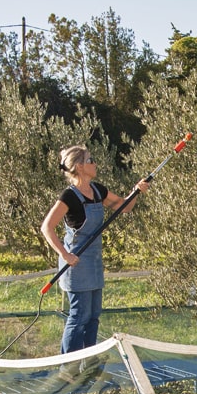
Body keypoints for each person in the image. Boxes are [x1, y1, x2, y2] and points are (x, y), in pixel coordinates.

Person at [40, 144, 149, 356]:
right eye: (90, 160)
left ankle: (89, 362)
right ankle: (69, 366)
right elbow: (47, 227)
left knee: (93, 316)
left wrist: (136, 192)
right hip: (76, 264)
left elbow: (124, 206)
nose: (94, 164)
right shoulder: (69, 196)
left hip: (94, 262)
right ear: (80, 167)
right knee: (79, 316)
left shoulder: (98, 190)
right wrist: (65, 255)